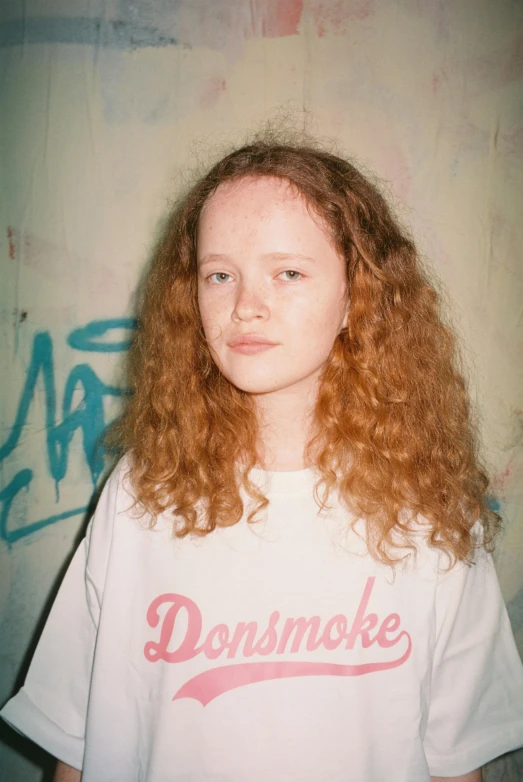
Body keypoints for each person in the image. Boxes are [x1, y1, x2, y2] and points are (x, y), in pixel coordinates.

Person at [2, 137, 523, 782]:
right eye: (219, 274)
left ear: (356, 295)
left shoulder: (432, 514)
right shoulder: (141, 494)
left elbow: (456, 764)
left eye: (289, 273)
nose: (245, 304)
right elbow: (76, 751)